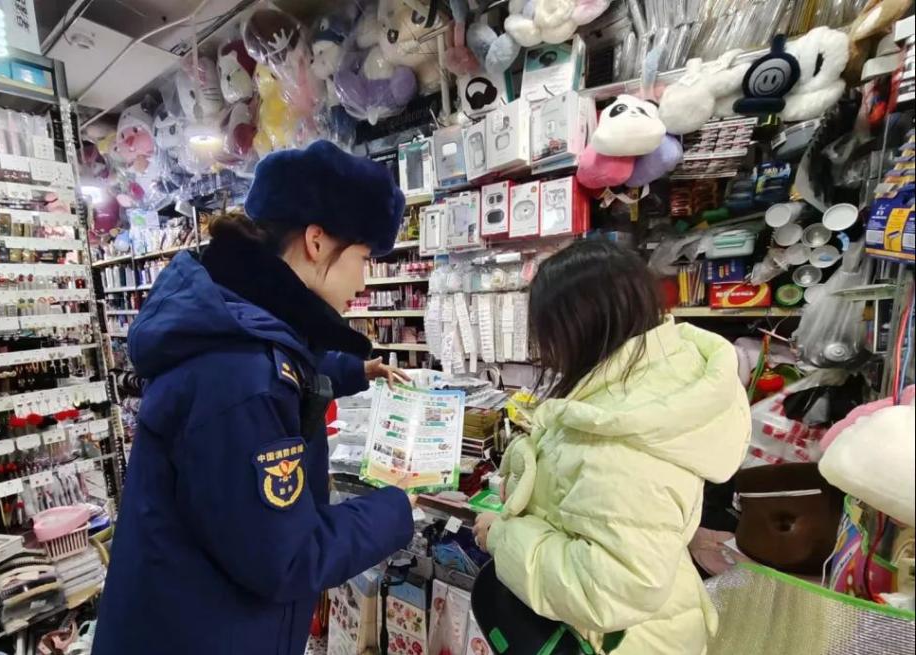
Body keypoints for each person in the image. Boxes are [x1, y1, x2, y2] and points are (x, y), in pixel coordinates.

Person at [93, 141, 416, 655]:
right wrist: (398, 506)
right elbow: (286, 557)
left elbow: (288, 359)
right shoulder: (240, 380)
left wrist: (354, 369)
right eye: (362, 258)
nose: (363, 279)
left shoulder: (236, 321)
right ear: (316, 241)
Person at [473, 240, 750, 655]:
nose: (543, 347)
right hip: (648, 627)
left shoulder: (620, 437)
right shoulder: (645, 389)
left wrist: (502, 536)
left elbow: (605, 590)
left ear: (578, 326)